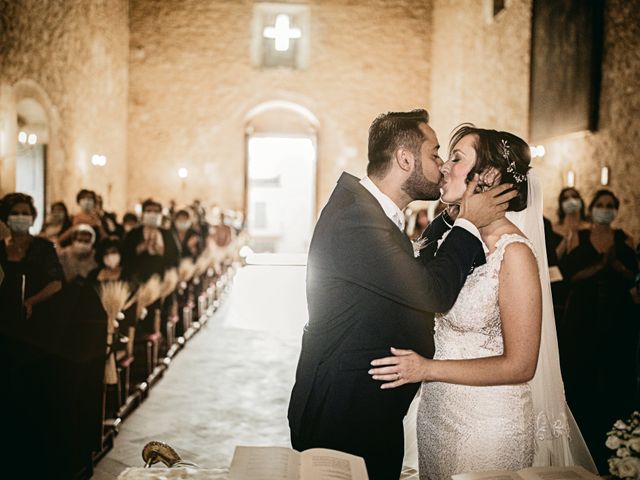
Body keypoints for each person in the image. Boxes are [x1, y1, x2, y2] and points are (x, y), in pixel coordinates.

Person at [288, 110, 517, 480]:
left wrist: (451, 218)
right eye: (436, 153)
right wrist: (468, 221)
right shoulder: (356, 218)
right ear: (405, 159)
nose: (442, 165)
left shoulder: (365, 208)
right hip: (344, 416)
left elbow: (407, 266)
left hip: (366, 410)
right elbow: (432, 292)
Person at [369, 125, 596, 479]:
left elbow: (521, 365)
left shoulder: (515, 253)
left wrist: (426, 368)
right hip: (436, 415)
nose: (444, 166)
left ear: (488, 175)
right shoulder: (456, 240)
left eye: (457, 158)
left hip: (488, 426)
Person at [559, 189, 638, 472]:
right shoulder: (577, 237)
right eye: (600, 205)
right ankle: (584, 439)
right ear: (592, 209)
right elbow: (569, 274)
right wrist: (600, 267)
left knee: (615, 376)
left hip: (617, 318)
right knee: (581, 374)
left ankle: (615, 440)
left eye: (610, 205)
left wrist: (615, 265)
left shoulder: (623, 239)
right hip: (582, 318)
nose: (605, 209)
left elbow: (632, 276)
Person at [122, 198, 180, 282]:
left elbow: (176, 256)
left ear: (160, 214)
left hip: (161, 278)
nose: (152, 214)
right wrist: (139, 249)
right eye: (149, 211)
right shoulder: (133, 234)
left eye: (156, 212)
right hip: (138, 278)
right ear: (142, 214)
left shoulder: (167, 234)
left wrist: (162, 251)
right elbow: (125, 256)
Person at [553, 187, 589, 260]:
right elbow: (553, 259)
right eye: (565, 198)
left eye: (574, 196)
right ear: (561, 204)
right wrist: (566, 238)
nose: (571, 200)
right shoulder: (553, 229)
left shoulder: (589, 228)